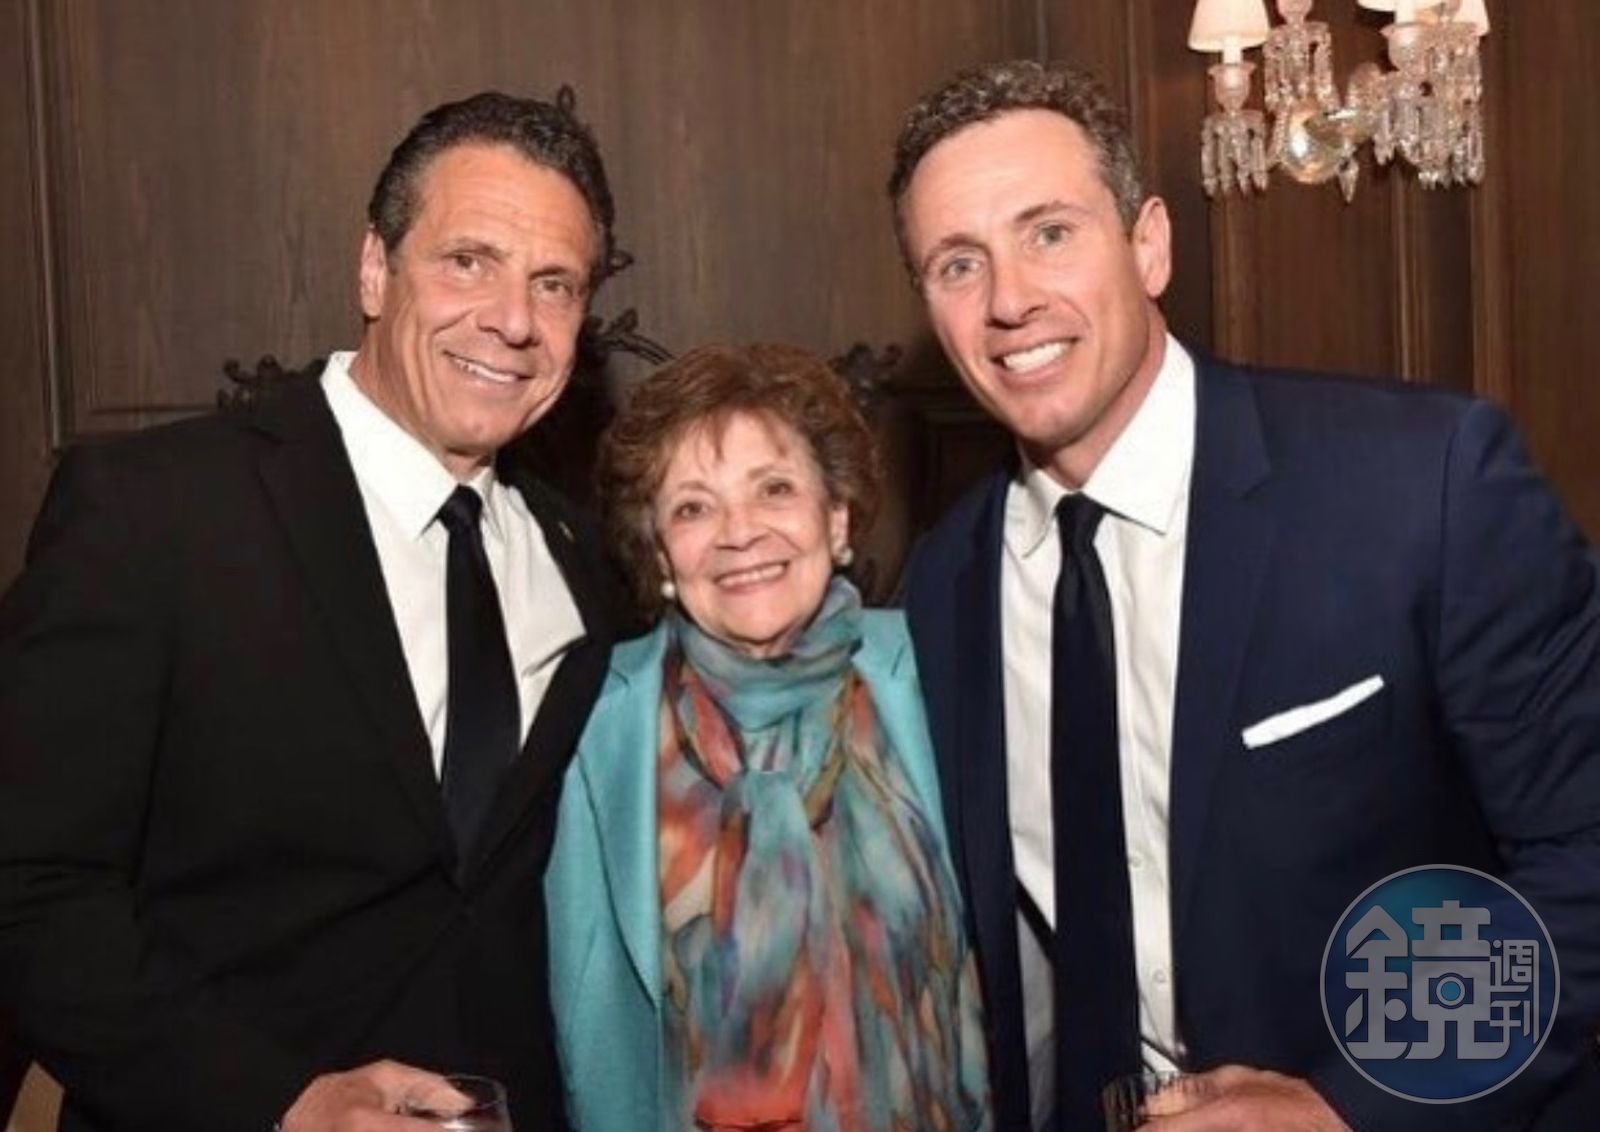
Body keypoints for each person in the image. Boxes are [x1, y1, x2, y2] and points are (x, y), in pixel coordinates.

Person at [889, 59, 1600, 1131]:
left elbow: (1582, 860)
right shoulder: (942, 587)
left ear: (1149, 245)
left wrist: (1344, 1105)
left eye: (1050, 233)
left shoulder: (1423, 482)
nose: (1009, 300)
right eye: (957, 263)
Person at [0, 90, 628, 1131]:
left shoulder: (583, 559)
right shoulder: (156, 511)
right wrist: (279, 1102)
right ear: (375, 268)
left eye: (553, 284)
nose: (513, 320)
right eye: (467, 260)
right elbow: (28, 885)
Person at [545, 343, 991, 1131]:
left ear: (837, 517)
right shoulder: (594, 724)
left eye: (774, 489)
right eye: (693, 508)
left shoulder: (940, 675)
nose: (739, 533)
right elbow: (590, 1032)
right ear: (661, 553)